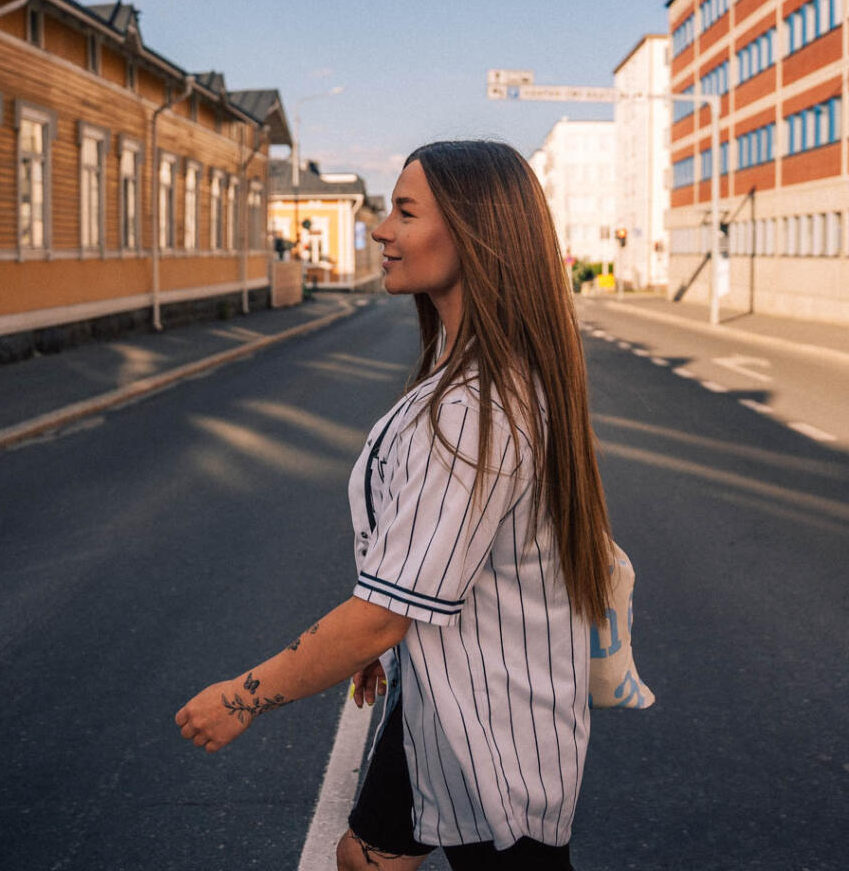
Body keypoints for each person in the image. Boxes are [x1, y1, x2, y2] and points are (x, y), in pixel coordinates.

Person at [176, 140, 614, 869]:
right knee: (364, 857)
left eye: (404, 213)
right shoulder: (474, 372)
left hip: (492, 727)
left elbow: (382, 614)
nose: (381, 230)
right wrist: (388, 635)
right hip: (448, 697)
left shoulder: (474, 409)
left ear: (472, 234)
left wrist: (242, 697)